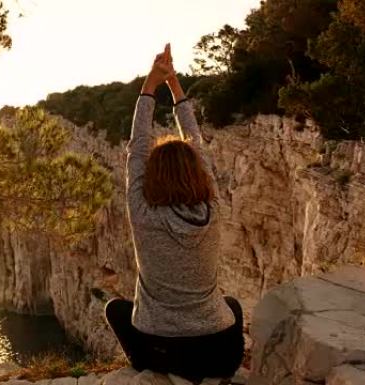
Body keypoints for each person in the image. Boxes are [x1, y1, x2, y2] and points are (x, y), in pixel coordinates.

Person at [104, 43, 244, 383]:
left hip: (159, 350)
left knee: (115, 309)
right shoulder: (212, 208)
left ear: (152, 175)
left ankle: (151, 372)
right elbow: (195, 142)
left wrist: (151, 84)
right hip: (221, 355)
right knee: (233, 306)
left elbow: (138, 146)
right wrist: (175, 86)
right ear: (198, 172)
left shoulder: (142, 212)